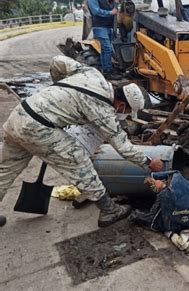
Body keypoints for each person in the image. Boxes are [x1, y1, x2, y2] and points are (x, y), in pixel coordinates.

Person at [0, 56, 163, 228]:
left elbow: (57, 61)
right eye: (128, 111)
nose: (125, 114)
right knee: (80, 162)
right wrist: (148, 162)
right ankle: (109, 210)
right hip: (39, 128)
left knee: (5, 169)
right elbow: (123, 147)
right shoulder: (104, 111)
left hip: (19, 116)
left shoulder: (93, 74)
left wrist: (58, 90)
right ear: (122, 104)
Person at [87, 0, 120, 80]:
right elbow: (96, 11)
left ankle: (105, 70)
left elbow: (109, 8)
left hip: (107, 27)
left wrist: (115, 3)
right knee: (107, 49)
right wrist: (111, 12)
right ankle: (108, 71)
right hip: (100, 27)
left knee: (105, 50)